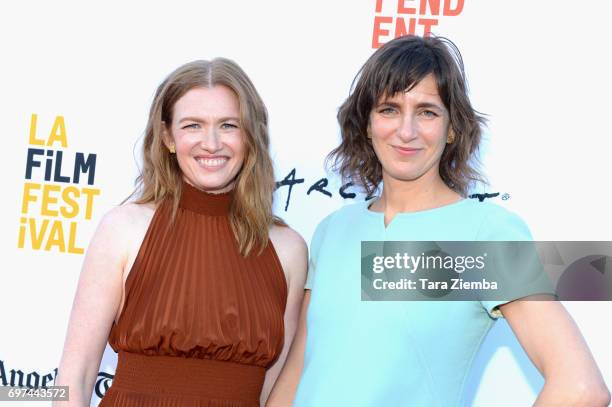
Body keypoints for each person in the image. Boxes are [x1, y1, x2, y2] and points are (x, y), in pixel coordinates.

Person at [266, 35, 610, 406]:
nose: (407, 130)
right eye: (389, 109)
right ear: (366, 123)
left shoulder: (484, 235)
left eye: (427, 111)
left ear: (452, 129)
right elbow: (299, 372)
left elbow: (580, 387)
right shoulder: (332, 231)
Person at [55, 58, 307, 407]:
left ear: (251, 135)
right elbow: (76, 376)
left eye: (229, 125)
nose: (211, 142)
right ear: (167, 137)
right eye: (193, 125)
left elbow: (273, 391)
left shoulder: (287, 249)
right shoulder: (124, 229)